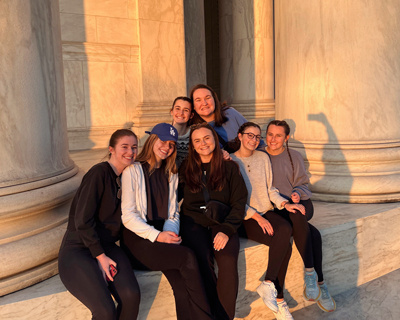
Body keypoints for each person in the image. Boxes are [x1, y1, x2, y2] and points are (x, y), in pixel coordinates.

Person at [120, 123, 213, 320]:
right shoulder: (133, 171)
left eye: (171, 144)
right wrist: (158, 236)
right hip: (138, 239)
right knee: (187, 256)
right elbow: (128, 217)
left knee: (180, 284)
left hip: (162, 235)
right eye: (163, 141)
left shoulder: (171, 173)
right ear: (152, 140)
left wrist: (169, 233)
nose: (167, 147)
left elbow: (173, 213)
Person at [58, 129, 141, 320]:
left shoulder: (128, 177)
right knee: (105, 310)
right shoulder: (99, 173)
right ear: (111, 149)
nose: (130, 152)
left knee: (131, 296)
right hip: (78, 250)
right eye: (125, 147)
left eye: (134, 147)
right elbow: (82, 221)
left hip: (108, 247)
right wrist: (100, 256)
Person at [230, 122, 306, 320]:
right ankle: (279, 300)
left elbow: (270, 189)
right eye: (249, 135)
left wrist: (284, 204)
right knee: (285, 245)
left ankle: (268, 284)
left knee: (286, 230)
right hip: (244, 217)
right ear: (239, 136)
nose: (254, 140)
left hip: (265, 210)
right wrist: (256, 217)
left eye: (257, 136)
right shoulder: (229, 161)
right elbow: (231, 200)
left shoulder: (263, 158)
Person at [265, 120, 336, 313]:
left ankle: (310, 275)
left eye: (278, 135)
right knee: (314, 234)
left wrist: (296, 193)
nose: (273, 139)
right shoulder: (261, 156)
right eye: (270, 134)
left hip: (300, 201)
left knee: (298, 215)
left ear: (286, 138)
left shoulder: (294, 156)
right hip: (279, 207)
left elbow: (304, 183)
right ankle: (318, 280)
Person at [178, 122, 248, 320]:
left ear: (215, 140)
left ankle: (225, 317)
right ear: (192, 145)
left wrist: (226, 229)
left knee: (226, 260)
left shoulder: (229, 167)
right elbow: (172, 197)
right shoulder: (186, 167)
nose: (203, 143)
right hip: (193, 222)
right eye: (197, 140)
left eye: (207, 138)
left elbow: (239, 201)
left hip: (222, 221)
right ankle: (209, 313)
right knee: (202, 258)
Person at [189, 84, 266, 152]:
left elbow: (256, 139)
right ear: (194, 106)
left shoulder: (230, 113)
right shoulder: (194, 128)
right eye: (198, 100)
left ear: (214, 100)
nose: (204, 103)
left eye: (208, 98)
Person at [170, 96, 194, 167]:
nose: (181, 113)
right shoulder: (162, 133)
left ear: (191, 115)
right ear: (172, 111)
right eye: (177, 108)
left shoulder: (195, 134)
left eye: (186, 110)